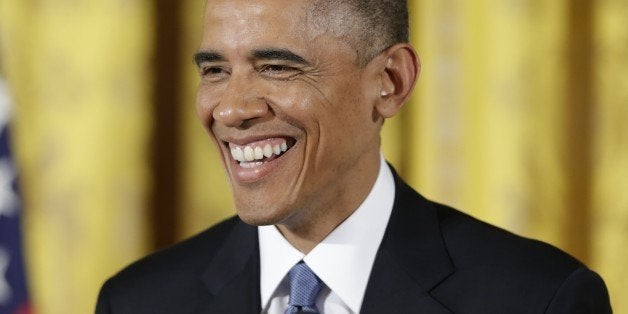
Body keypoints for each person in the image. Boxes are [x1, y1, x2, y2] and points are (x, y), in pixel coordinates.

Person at [96, 0, 612, 313]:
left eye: (276, 66)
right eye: (213, 71)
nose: (231, 109)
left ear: (389, 82)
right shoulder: (138, 301)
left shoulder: (539, 300)